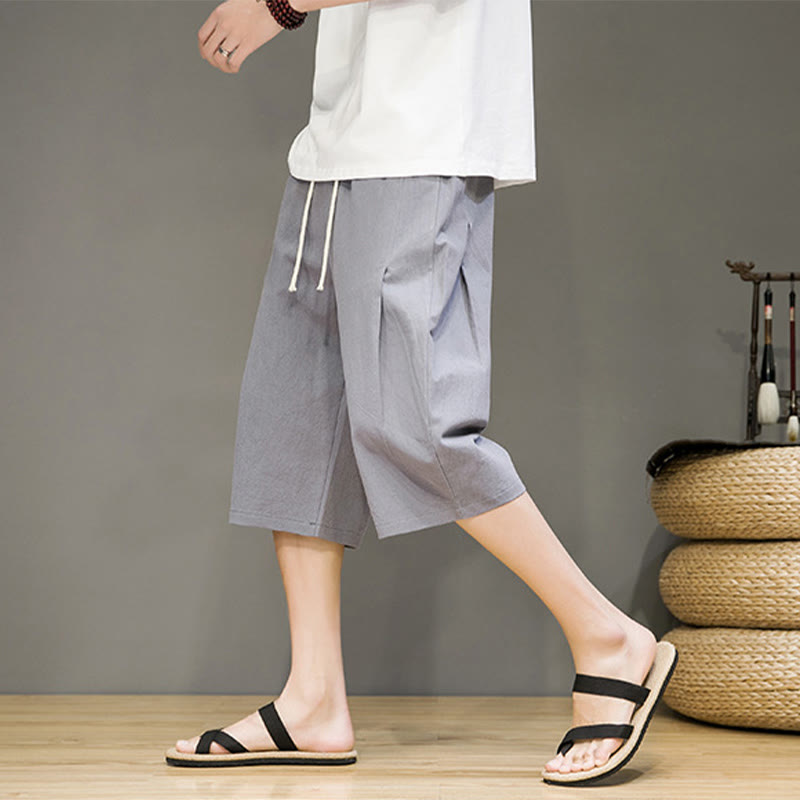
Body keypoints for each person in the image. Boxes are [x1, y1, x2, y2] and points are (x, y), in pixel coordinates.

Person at [164, 0, 677, 785]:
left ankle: (607, 636)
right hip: (337, 145)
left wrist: (279, 5)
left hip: (422, 133)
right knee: (295, 421)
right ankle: (313, 698)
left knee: (418, 421)